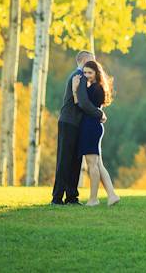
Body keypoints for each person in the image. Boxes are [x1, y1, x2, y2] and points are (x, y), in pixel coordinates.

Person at [50, 50, 106, 205]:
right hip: (69, 122)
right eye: (92, 61)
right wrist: (99, 113)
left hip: (76, 124)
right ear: (84, 60)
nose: (94, 64)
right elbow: (82, 102)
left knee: (75, 160)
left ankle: (71, 197)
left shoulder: (82, 78)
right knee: (65, 159)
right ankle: (57, 197)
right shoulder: (79, 76)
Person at [73, 60, 120, 207]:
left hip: (90, 127)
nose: (86, 75)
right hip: (95, 126)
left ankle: (93, 199)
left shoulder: (94, 88)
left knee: (92, 164)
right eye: (85, 72)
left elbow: (81, 104)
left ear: (96, 73)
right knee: (98, 164)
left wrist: (75, 89)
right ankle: (112, 195)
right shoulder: (97, 87)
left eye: (90, 73)